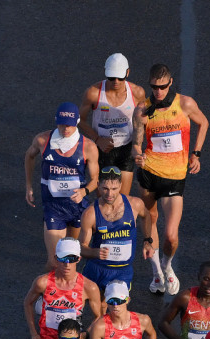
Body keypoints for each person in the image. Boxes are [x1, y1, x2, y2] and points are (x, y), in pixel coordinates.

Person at [134, 63, 209, 295]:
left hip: (175, 177)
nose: (158, 92)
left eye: (163, 87)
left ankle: (167, 266)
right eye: (154, 88)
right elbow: (137, 142)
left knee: (171, 235)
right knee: (150, 223)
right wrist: (137, 155)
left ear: (170, 84)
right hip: (149, 174)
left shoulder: (184, 104)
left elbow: (203, 123)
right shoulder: (142, 110)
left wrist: (196, 153)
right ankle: (156, 273)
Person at [24, 102, 100, 267]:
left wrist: (84, 191)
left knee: (70, 261)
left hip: (76, 207)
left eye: (70, 125)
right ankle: (44, 293)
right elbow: (29, 156)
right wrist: (28, 186)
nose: (66, 128)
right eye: (62, 124)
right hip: (54, 207)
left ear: (77, 122)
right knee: (54, 261)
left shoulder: (88, 146)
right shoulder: (42, 140)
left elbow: (95, 180)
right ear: (56, 121)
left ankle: (65, 292)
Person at [79, 53, 146, 195]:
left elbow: (143, 120)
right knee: (103, 200)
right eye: (111, 77)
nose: (115, 81)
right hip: (103, 150)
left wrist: (137, 145)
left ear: (128, 73)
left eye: (120, 77)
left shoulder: (137, 93)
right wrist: (98, 139)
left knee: (122, 199)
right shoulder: (93, 93)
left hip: (126, 148)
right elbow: (79, 120)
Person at [23, 239, 102, 339]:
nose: (67, 264)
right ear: (56, 258)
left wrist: (84, 335)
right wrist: (33, 333)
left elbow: (99, 317)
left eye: (72, 259)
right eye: (63, 259)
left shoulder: (89, 287)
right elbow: (27, 303)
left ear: (79, 259)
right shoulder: (42, 283)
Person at [77, 167, 150, 291]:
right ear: (98, 185)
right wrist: (94, 252)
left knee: (117, 307)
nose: (109, 194)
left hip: (122, 271)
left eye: (114, 189)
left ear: (121, 186)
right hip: (98, 268)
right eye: (105, 188)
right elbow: (81, 247)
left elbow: (146, 216)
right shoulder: (90, 214)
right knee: (99, 308)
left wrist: (148, 241)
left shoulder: (135, 205)